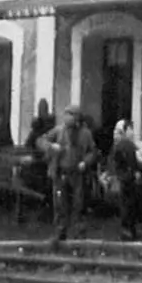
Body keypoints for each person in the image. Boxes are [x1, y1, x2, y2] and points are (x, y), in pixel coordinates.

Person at [37, 105, 96, 244]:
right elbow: (40, 140)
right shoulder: (58, 130)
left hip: (77, 174)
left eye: (70, 115)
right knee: (60, 204)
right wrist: (51, 147)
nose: (66, 118)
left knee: (78, 204)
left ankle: (79, 234)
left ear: (76, 118)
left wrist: (85, 162)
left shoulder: (86, 133)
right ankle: (59, 233)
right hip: (60, 173)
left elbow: (92, 152)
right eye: (65, 114)